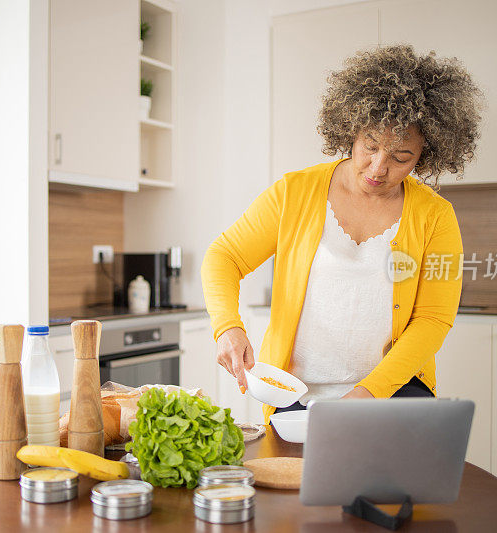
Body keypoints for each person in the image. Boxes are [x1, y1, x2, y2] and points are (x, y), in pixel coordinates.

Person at [201, 45, 482, 421]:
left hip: (393, 394)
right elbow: (225, 256)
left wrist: (371, 391)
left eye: (401, 158)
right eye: (370, 145)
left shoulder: (436, 216)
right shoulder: (294, 192)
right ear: (352, 128)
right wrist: (227, 327)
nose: (378, 167)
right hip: (295, 396)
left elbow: (433, 319)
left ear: (426, 155)